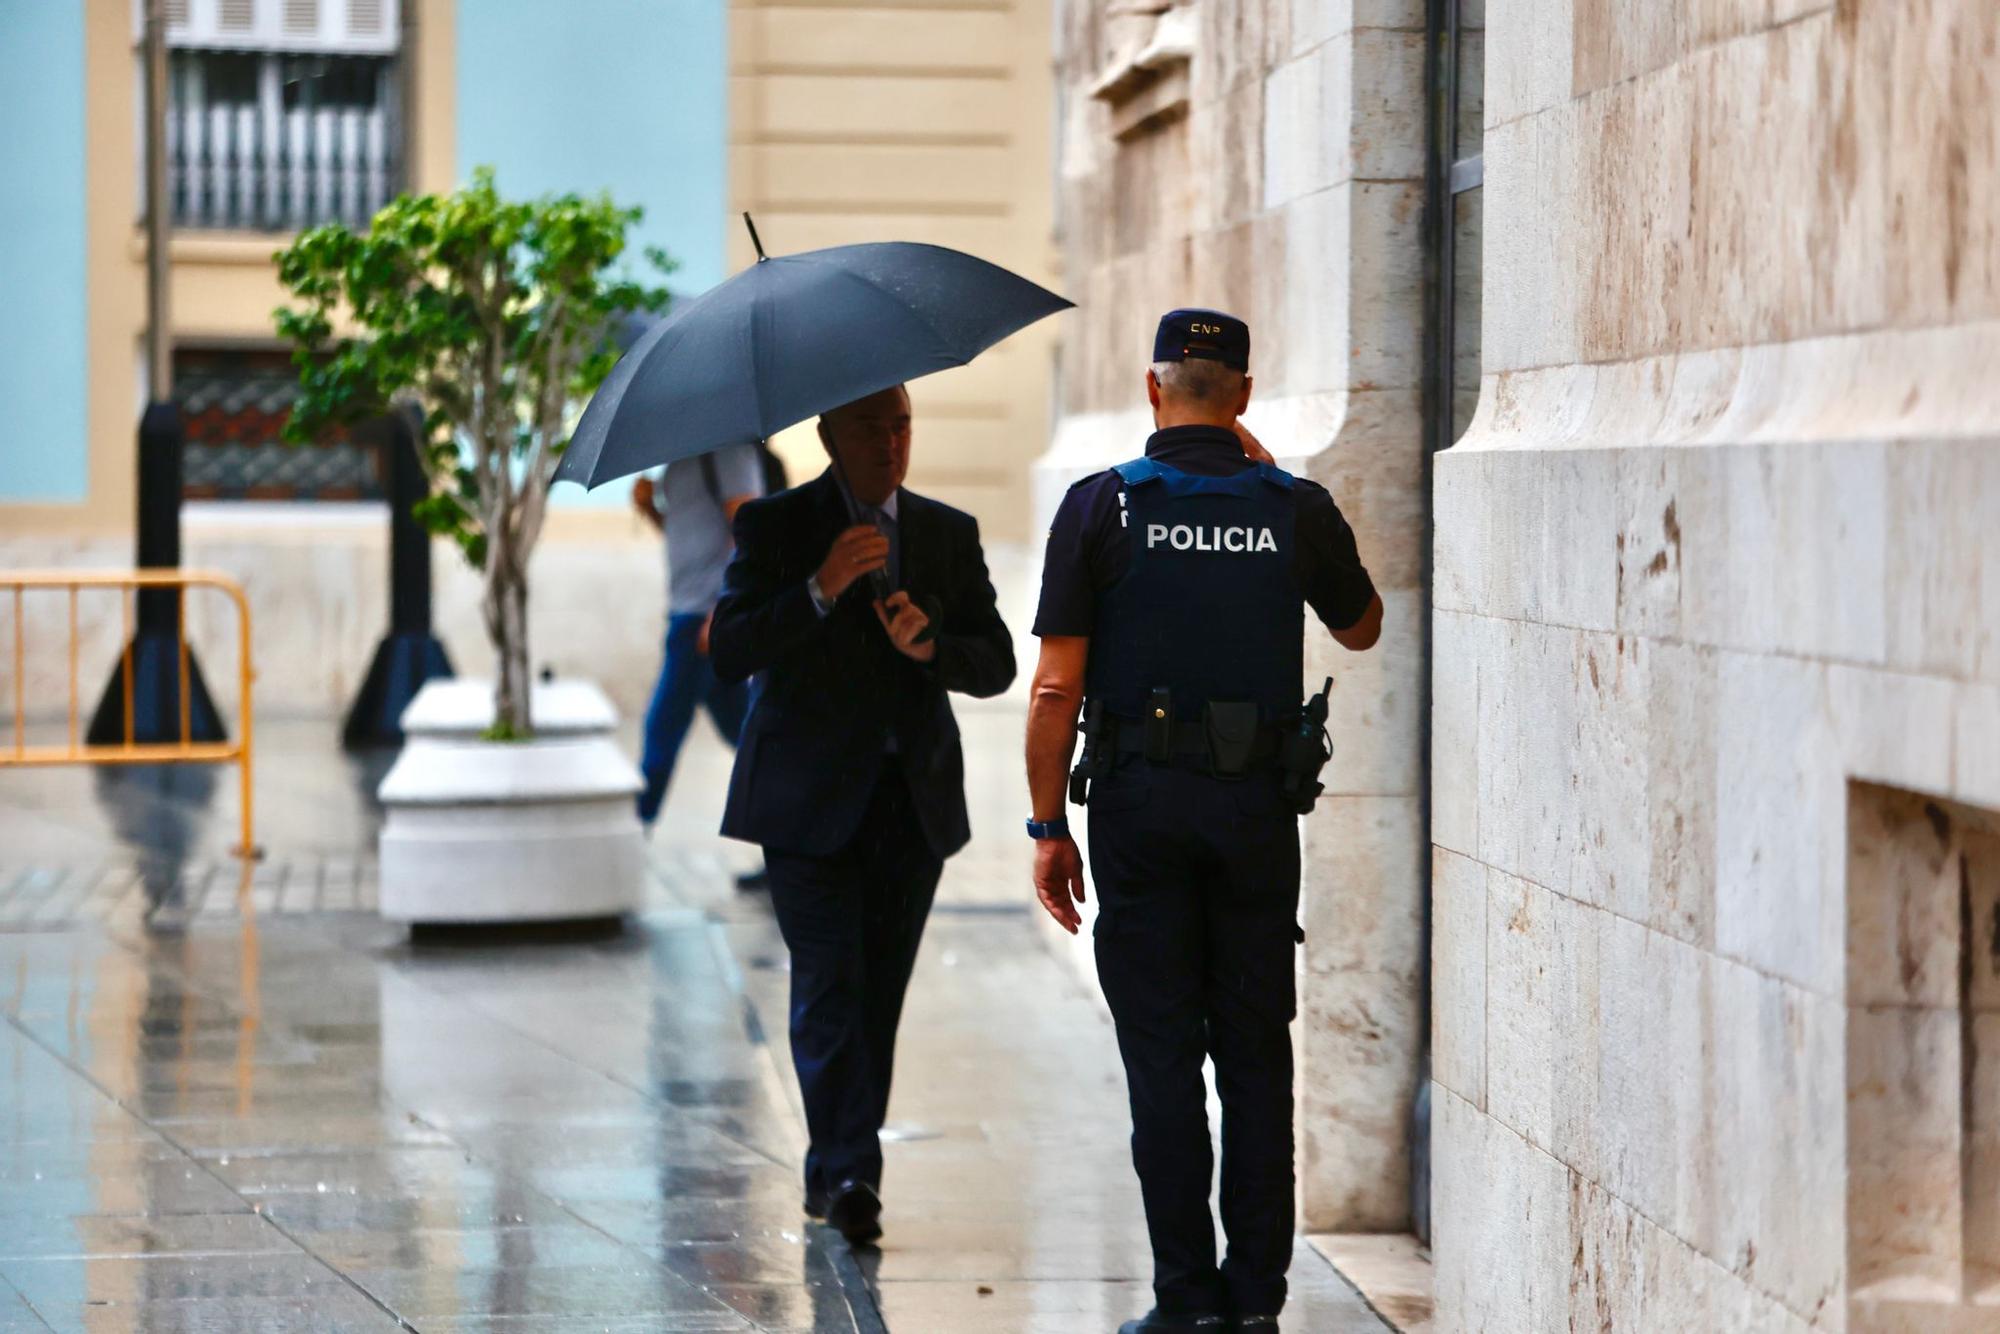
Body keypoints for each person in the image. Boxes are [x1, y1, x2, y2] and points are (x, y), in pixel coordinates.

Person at [1023, 310, 1383, 1334]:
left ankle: (1185, 1301)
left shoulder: (1101, 505)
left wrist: (1046, 827)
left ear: (1153, 389)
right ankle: (1255, 1300)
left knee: (1162, 1060)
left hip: (1138, 811)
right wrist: (1273, 484)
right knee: (1256, 1056)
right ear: (1242, 395)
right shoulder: (1292, 507)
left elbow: (1054, 690)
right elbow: (1362, 626)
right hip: (1253, 813)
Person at [709, 383, 1015, 1247]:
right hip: (805, 802)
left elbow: (995, 662)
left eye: (903, 427)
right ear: (829, 437)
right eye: (872, 429)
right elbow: (729, 648)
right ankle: (852, 1173)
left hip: (911, 803)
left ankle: (834, 1163)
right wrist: (819, 587)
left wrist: (931, 646)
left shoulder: (946, 532)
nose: (891, 444)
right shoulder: (775, 526)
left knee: (877, 996)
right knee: (827, 986)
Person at [631, 445, 768, 840]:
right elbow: (692, 537)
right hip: (690, 611)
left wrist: (724, 608)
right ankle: (797, 822)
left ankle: (633, 829)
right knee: (750, 734)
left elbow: (750, 532)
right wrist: (651, 509)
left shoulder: (727, 447)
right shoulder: (680, 454)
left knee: (662, 727)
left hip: (702, 619)